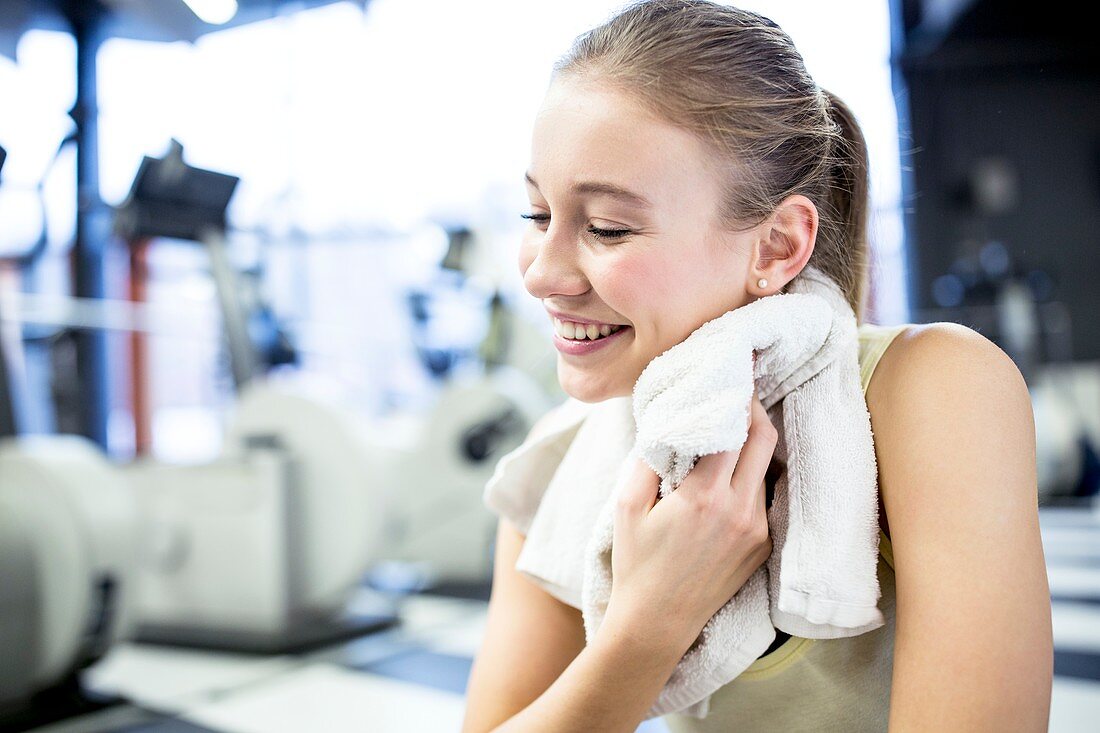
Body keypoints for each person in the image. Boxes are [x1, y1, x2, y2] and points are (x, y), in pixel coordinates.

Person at [462, 1, 1052, 730]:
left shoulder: (932, 391)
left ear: (776, 248)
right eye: (537, 216)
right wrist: (646, 626)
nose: (541, 274)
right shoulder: (556, 468)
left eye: (606, 227)